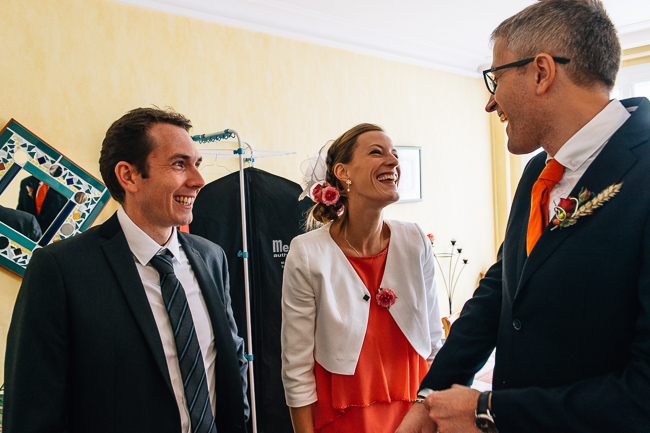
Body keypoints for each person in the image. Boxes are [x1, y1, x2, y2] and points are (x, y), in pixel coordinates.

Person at [396, 1, 650, 432]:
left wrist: (489, 411)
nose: (490, 103)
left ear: (541, 72)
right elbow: (502, 288)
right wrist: (429, 397)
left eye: (495, 78)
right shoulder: (536, 172)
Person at [4, 107, 249, 433]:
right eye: (179, 164)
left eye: (197, 164)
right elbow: (32, 411)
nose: (198, 181)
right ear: (129, 176)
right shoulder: (60, 269)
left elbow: (230, 357)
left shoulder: (212, 258)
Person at [281, 123, 443, 433]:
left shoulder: (415, 240)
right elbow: (297, 368)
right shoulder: (307, 253)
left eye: (395, 155)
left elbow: (434, 342)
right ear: (343, 172)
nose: (393, 161)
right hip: (344, 419)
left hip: (415, 413)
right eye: (377, 152)